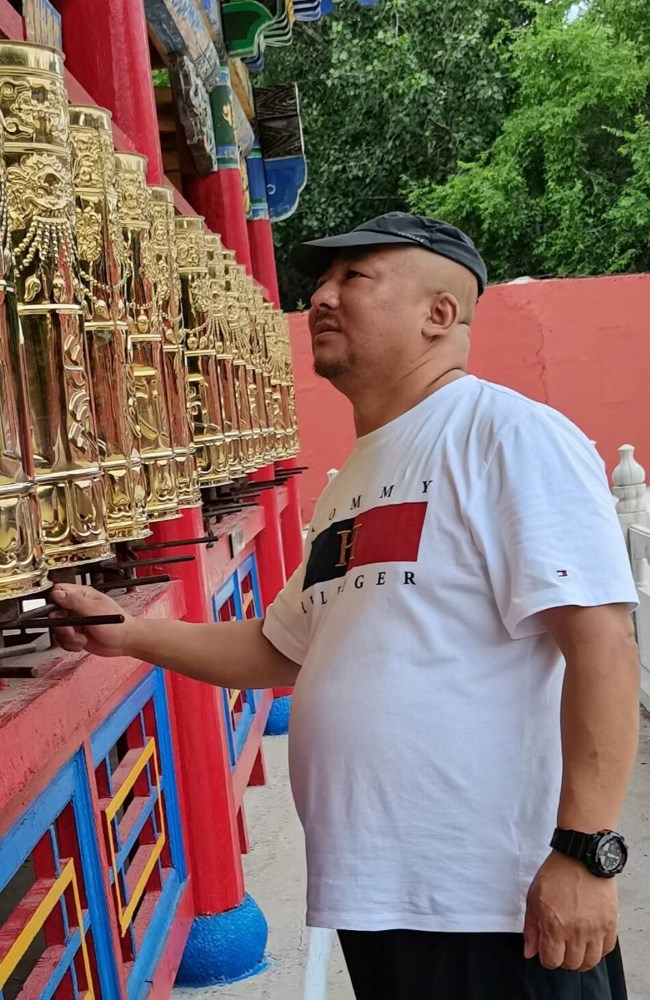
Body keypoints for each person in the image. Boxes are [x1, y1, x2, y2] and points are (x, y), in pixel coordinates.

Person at [52, 213, 640, 1000]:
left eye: (353, 277)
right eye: (321, 282)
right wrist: (128, 635)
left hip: (495, 901)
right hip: (382, 895)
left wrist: (585, 851)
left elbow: (602, 645)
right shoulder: (354, 479)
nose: (322, 297)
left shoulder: (506, 435)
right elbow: (278, 648)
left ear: (439, 313)